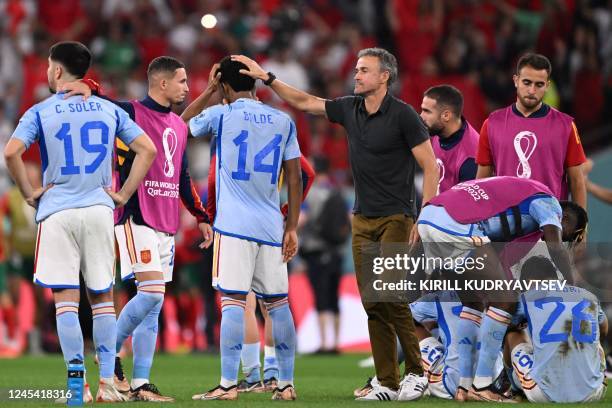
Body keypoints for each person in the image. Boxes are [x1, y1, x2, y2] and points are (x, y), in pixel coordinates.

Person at [233, 47, 439, 402]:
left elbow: (431, 165)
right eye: (357, 69)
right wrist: (267, 78)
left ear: (383, 77)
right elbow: (305, 102)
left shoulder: (404, 115)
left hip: (397, 216)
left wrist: (425, 216)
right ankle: (388, 382)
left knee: (390, 295)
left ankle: (417, 373)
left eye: (363, 70)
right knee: (373, 303)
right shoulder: (350, 108)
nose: (356, 75)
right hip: (362, 218)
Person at [3, 41, 156, 402]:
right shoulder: (106, 109)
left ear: (57, 71)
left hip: (58, 211)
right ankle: (107, 385)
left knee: (66, 302)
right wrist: (122, 193)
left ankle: (77, 388)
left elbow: (11, 152)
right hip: (99, 209)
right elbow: (146, 149)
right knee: (103, 298)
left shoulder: (40, 111)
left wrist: (29, 191)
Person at [61, 56, 213, 402]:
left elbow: (182, 177)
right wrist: (90, 87)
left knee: (153, 307)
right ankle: (109, 354)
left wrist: (201, 216)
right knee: (152, 293)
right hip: (136, 215)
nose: (188, 88)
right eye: (182, 81)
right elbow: (101, 105)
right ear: (162, 84)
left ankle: (141, 383)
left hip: (165, 221)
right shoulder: (130, 113)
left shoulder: (178, 124)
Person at [181, 63, 315, 394]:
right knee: (278, 306)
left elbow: (177, 128)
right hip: (272, 227)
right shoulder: (283, 120)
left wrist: (210, 92)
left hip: (233, 225)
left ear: (224, 85)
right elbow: (297, 176)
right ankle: (285, 383)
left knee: (233, 303)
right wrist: (293, 227)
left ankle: (228, 383)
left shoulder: (220, 115)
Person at [417, 176, 587, 402]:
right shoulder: (548, 201)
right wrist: (571, 285)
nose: (567, 239)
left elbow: (497, 257)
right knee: (505, 300)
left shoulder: (521, 196)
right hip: (456, 223)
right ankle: (483, 384)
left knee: (473, 302)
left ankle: (465, 386)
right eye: (572, 234)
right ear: (563, 218)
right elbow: (555, 246)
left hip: (430, 218)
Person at [476, 53, 587, 210]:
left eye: (539, 85)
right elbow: (482, 181)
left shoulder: (566, 125)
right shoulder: (492, 123)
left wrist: (581, 227)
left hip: (550, 226)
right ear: (516, 81)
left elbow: (577, 181)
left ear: (547, 86)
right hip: (505, 227)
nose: (532, 90)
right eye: (527, 83)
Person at [505, 256, 607, 403]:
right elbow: (604, 327)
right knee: (596, 340)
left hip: (544, 395)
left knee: (513, 335)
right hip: (594, 393)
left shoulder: (527, 297)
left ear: (527, 281)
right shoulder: (589, 295)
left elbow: (503, 326)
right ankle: (594, 375)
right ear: (555, 277)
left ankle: (514, 390)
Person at [299, 157, 349, 354]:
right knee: (334, 296)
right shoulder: (338, 192)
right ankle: (336, 342)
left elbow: (301, 220)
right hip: (336, 251)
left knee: (320, 296)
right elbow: (348, 219)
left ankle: (323, 342)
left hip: (315, 250)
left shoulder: (309, 193)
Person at [419, 85, 478, 192]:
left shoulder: (470, 159)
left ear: (446, 116)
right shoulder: (437, 131)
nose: (421, 116)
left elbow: (468, 205)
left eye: (427, 111)